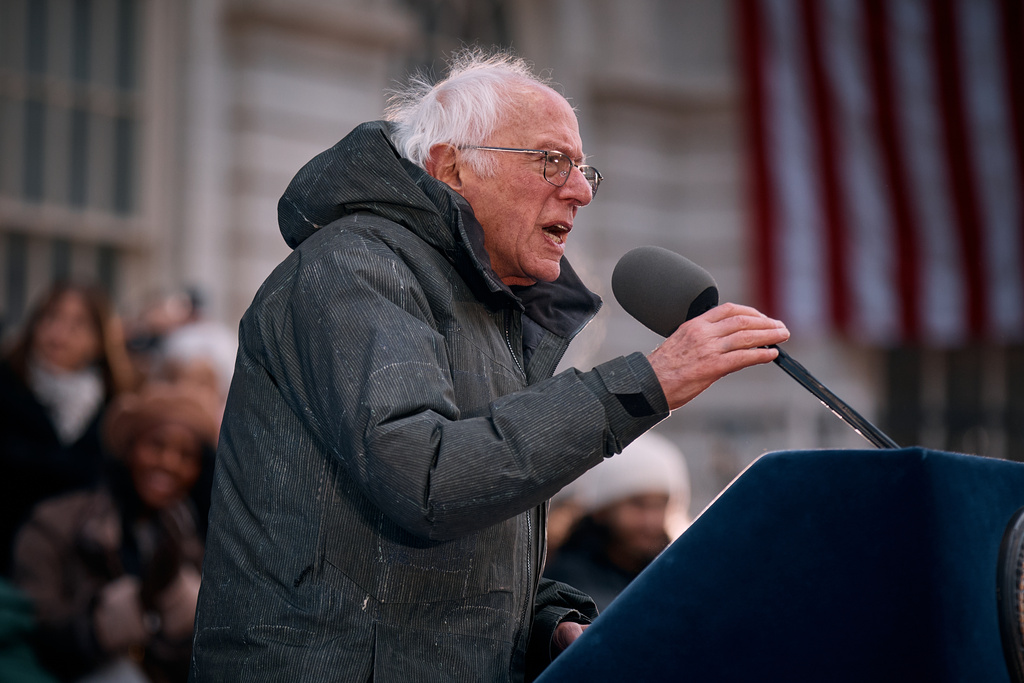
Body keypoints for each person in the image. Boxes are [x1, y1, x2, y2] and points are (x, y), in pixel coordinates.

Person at [190, 48, 789, 682]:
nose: (581, 189)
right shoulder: (353, 268)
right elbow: (426, 482)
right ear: (451, 167)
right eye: (551, 161)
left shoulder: (489, 302)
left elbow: (444, 544)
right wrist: (647, 384)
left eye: (584, 168)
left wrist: (543, 623)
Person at [12, 382, 220, 683]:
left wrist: (185, 628)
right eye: (156, 446)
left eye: (187, 456)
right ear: (129, 449)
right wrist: (98, 624)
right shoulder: (54, 523)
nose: (169, 463)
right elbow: (29, 623)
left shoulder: (187, 540)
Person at [0, 283, 137, 577]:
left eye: (78, 324)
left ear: (100, 340)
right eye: (51, 318)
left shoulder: (118, 410)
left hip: (79, 576)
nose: (59, 333)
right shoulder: (6, 387)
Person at [543, 431, 690, 612]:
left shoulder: (675, 576)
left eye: (660, 505)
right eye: (638, 504)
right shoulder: (566, 582)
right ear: (602, 510)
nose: (650, 521)